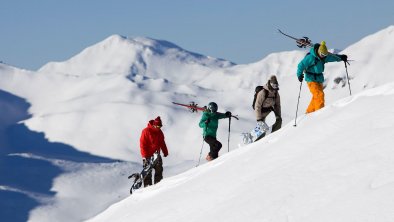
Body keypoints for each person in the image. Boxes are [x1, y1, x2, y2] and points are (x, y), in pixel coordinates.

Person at [297, 41, 348, 113]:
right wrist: (299, 75)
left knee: (316, 96)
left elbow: (333, 57)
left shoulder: (323, 57)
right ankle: (319, 114)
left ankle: (309, 113)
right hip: (311, 79)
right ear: (318, 52)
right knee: (319, 95)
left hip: (319, 79)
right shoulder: (311, 57)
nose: (323, 56)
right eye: (322, 54)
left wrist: (341, 57)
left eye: (325, 55)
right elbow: (301, 65)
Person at [139, 116, 169, 187]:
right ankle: (148, 189)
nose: (159, 128)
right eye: (158, 126)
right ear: (154, 125)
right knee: (147, 174)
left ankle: (158, 187)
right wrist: (145, 157)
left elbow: (162, 142)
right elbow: (143, 145)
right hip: (148, 156)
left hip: (157, 155)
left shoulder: (160, 132)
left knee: (159, 171)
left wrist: (165, 152)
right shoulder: (146, 131)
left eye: (160, 126)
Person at [253, 75, 282, 141]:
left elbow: (278, 105)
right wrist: (259, 119)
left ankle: (274, 136)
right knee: (262, 130)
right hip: (261, 113)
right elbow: (257, 106)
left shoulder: (276, 93)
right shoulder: (263, 92)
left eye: (276, 86)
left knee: (278, 121)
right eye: (274, 86)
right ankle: (256, 142)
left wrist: (278, 115)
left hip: (269, 113)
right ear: (271, 84)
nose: (275, 88)